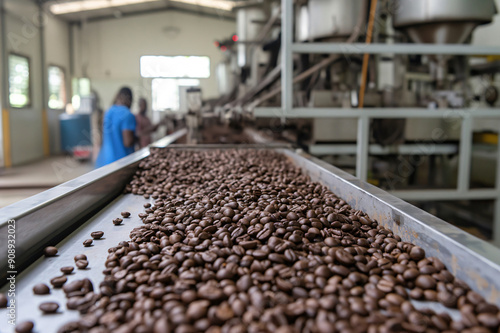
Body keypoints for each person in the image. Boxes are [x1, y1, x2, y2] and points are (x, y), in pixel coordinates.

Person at [95, 87, 136, 168]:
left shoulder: (108, 112)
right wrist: (137, 137)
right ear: (130, 99)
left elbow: (102, 138)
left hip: (104, 161)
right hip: (121, 162)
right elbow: (127, 142)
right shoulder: (128, 115)